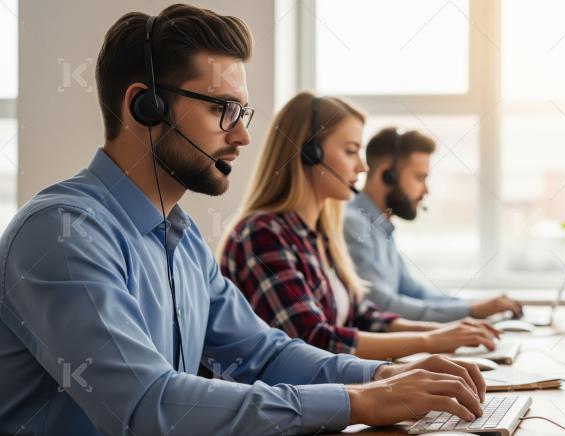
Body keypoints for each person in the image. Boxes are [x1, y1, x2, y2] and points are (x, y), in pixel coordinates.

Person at [0, 5, 487, 435]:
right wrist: (355, 402)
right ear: (143, 107)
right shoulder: (63, 234)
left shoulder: (184, 242)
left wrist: (381, 378)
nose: (242, 137)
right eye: (222, 110)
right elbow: (146, 406)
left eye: (243, 113)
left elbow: (263, 354)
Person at [218, 92, 500, 361]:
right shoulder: (263, 234)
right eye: (351, 151)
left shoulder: (321, 235)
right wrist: (430, 342)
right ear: (309, 153)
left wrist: (447, 334)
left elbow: (365, 317)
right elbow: (313, 340)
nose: (363, 168)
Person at [343, 127, 524, 322]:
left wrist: (474, 305)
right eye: (420, 178)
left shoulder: (381, 227)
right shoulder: (354, 225)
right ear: (388, 175)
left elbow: (414, 291)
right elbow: (383, 306)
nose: (426, 190)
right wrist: (470, 311)